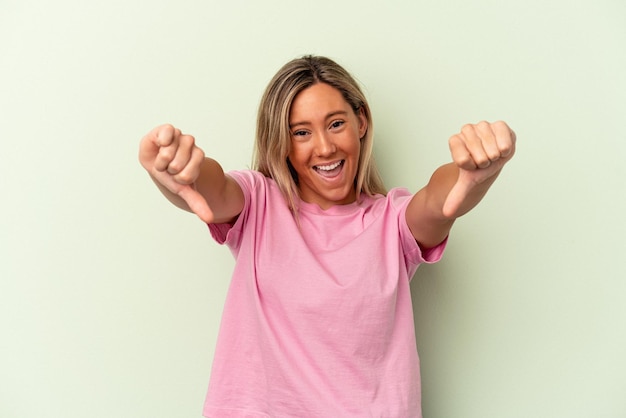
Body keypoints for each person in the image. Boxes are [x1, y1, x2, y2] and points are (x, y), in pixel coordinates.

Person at [138, 55, 516, 418]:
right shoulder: (260, 203)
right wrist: (179, 169)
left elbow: (438, 201)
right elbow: (214, 188)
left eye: (336, 123)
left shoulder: (392, 221)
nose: (324, 147)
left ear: (361, 122)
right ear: (281, 144)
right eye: (301, 132)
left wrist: (472, 172)